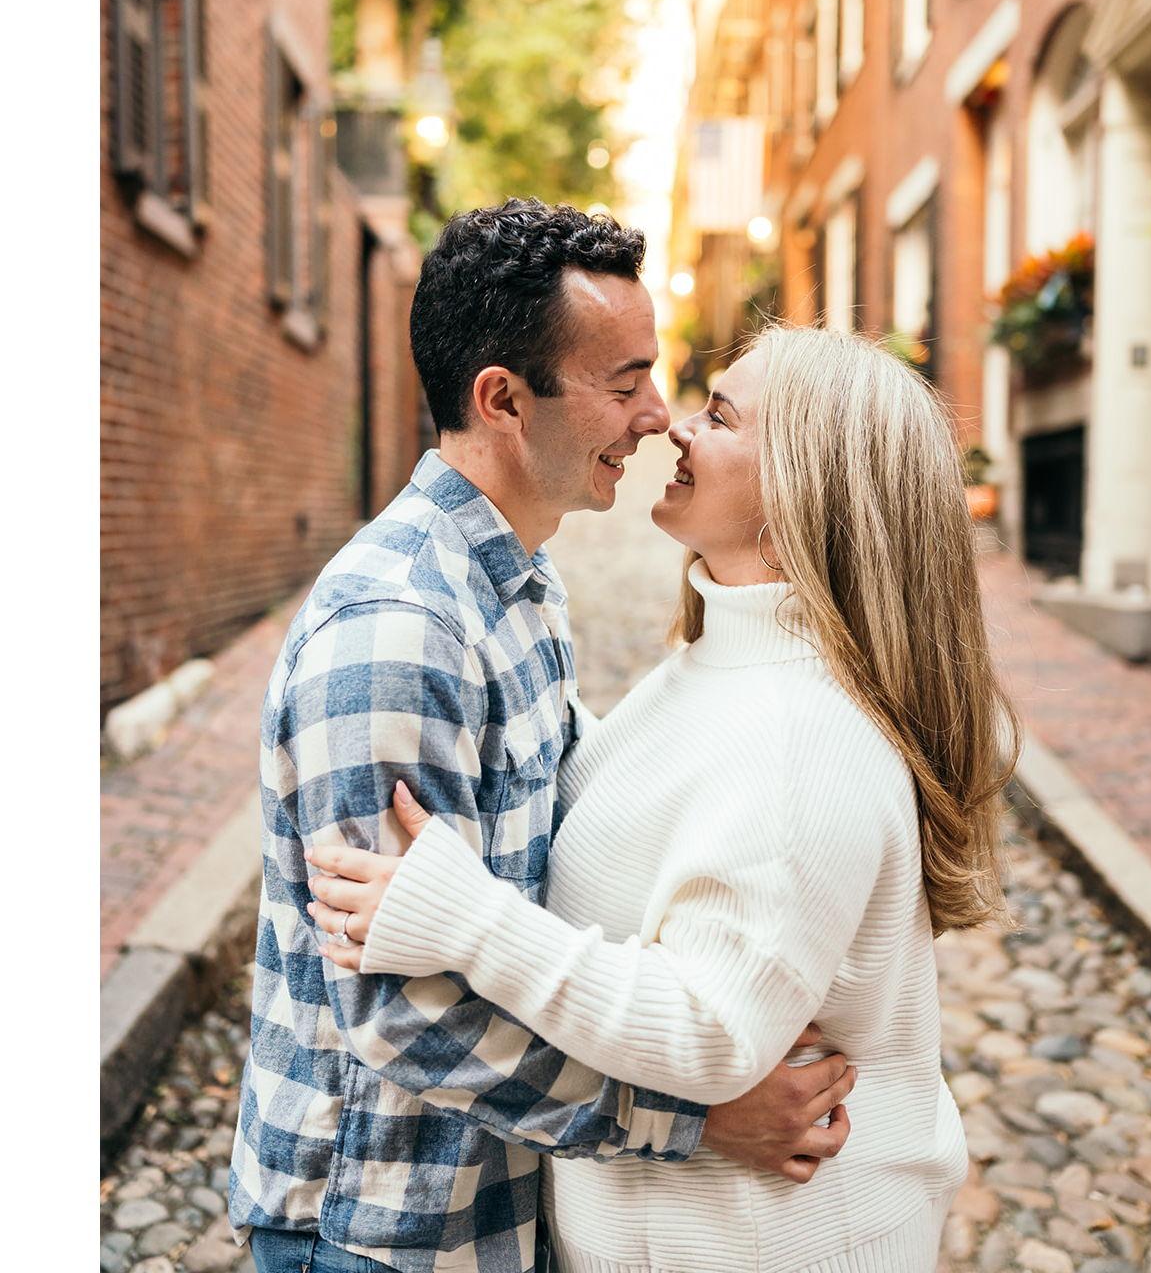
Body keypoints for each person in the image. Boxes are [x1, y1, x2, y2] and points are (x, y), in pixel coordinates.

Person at [305, 322, 1023, 1273]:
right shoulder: (722, 661)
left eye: (721, 415)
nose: (674, 428)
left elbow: (711, 1029)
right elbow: (645, 811)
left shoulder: (805, 739)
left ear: (802, 490)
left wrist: (470, 920)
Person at [227, 202, 856, 1273]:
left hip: (495, 1203)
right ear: (503, 400)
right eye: (624, 384)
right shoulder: (399, 632)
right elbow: (403, 1019)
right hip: (380, 1228)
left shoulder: (519, 577)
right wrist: (698, 1116)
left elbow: (587, 797)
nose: (656, 417)